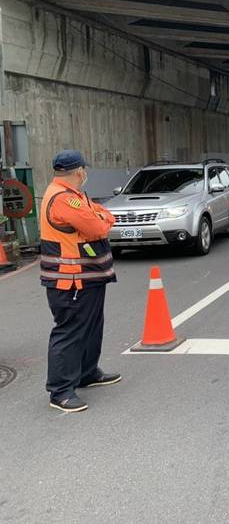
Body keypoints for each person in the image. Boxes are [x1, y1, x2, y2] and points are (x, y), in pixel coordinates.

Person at [40, 150, 120, 413]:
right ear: (79, 171)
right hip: (71, 281)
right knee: (70, 331)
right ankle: (60, 391)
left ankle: (87, 373)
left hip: (88, 277)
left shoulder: (73, 196)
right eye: (84, 169)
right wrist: (103, 219)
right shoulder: (64, 199)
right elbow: (97, 227)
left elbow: (98, 213)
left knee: (91, 327)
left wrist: (101, 216)